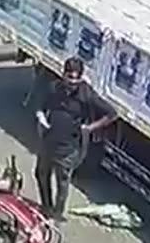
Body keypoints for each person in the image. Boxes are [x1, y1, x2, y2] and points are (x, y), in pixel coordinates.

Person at [33, 57, 115, 221]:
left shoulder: (86, 94)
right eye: (69, 77)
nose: (72, 82)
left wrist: (89, 128)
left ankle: (57, 213)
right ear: (63, 75)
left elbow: (111, 114)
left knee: (62, 181)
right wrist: (41, 117)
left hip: (69, 148)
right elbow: (41, 107)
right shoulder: (54, 88)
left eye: (76, 78)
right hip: (48, 142)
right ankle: (46, 206)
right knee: (41, 173)